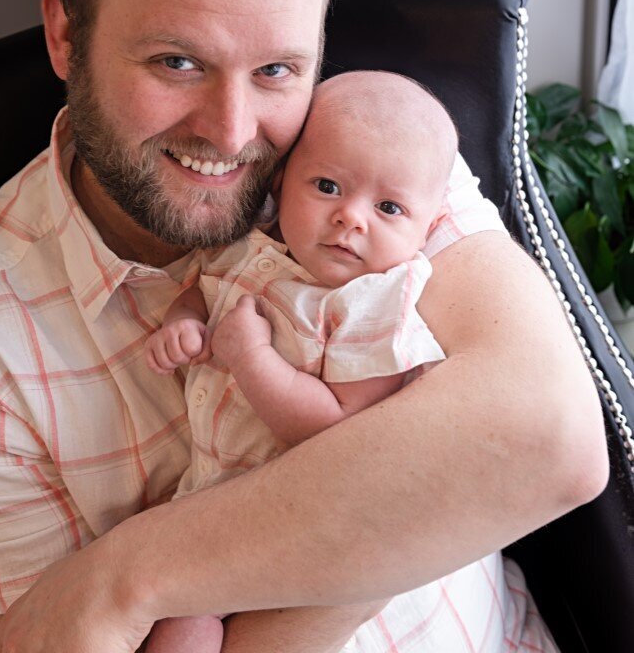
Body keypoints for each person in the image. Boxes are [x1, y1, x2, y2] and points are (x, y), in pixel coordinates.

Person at [0, 0, 606, 653]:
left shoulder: (366, 155)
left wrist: (129, 574)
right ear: (66, 34)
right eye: (176, 62)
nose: (232, 134)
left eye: (276, 71)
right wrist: (412, 505)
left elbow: (552, 441)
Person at [143, 70, 558, 653]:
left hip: (308, 521)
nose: (351, 218)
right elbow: (203, 292)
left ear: (428, 223)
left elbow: (335, 426)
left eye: (388, 207)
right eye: (329, 186)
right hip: (211, 504)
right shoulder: (251, 247)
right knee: (174, 629)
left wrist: (251, 355)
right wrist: (182, 323)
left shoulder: (380, 305)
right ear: (283, 179)